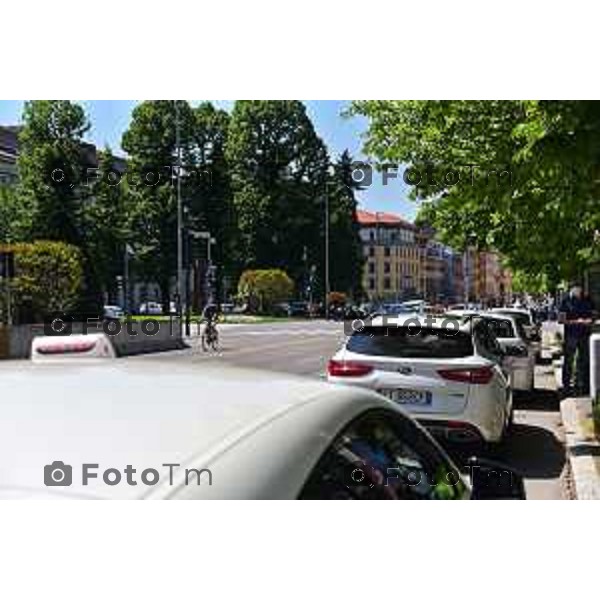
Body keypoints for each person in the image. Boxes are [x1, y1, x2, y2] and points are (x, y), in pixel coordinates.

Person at [559, 286, 595, 395]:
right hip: (571, 334)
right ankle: (566, 386)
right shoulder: (566, 301)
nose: (580, 292)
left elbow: (594, 316)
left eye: (580, 291)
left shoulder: (588, 300)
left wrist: (589, 321)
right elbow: (561, 320)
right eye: (577, 291)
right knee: (569, 360)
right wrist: (576, 322)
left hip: (585, 334)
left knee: (584, 360)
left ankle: (581, 385)